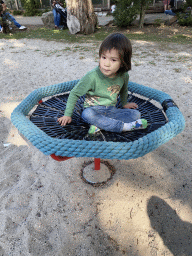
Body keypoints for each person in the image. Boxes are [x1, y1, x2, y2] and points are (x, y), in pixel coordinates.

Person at [58, 33, 148, 134]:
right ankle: (125, 127)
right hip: (93, 110)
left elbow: (124, 89)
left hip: (111, 111)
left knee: (135, 114)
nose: (106, 64)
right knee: (86, 114)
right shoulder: (92, 76)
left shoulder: (123, 75)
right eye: (103, 57)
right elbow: (74, 93)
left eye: (113, 60)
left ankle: (101, 125)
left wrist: (124, 103)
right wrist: (67, 114)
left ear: (123, 62)